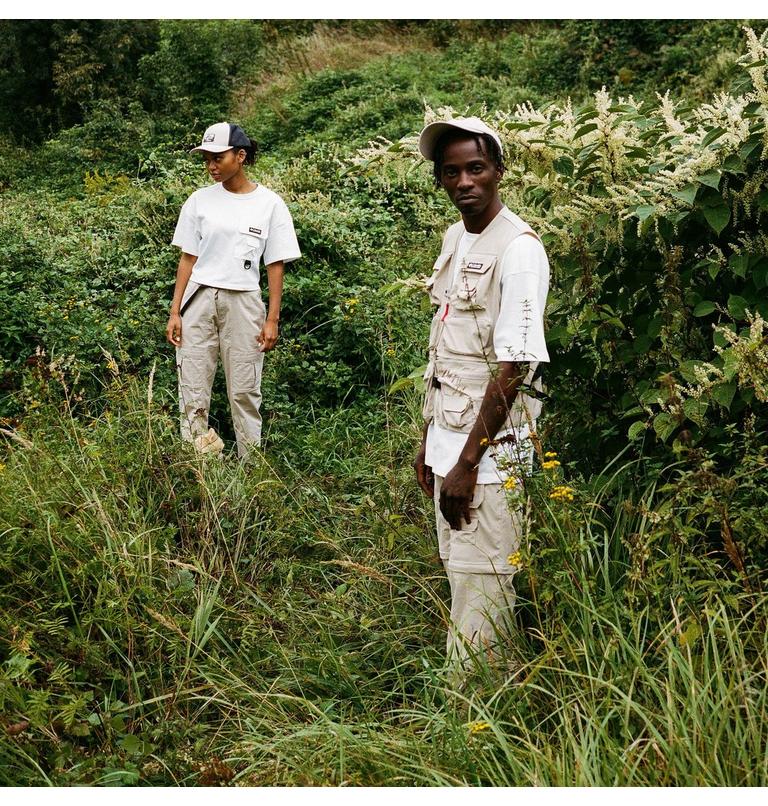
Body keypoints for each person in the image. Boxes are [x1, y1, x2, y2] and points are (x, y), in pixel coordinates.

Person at [414, 117, 550, 663]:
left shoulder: (519, 250)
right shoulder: (456, 237)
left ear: (498, 171)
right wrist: (432, 442)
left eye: (475, 168)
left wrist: (469, 462)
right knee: (464, 581)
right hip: (452, 441)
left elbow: (515, 363)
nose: (464, 181)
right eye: (451, 172)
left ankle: (474, 719)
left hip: (493, 455)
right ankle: (493, 704)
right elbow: (447, 351)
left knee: (483, 587)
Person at [166, 122, 301, 457]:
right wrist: (175, 311)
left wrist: (272, 319)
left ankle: (250, 466)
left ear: (240, 156)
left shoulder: (269, 204)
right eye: (206, 159)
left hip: (244, 304)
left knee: (244, 389)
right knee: (193, 390)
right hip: (198, 300)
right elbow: (187, 257)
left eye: (218, 157)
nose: (211, 165)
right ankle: (202, 467)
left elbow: (275, 265)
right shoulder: (199, 201)